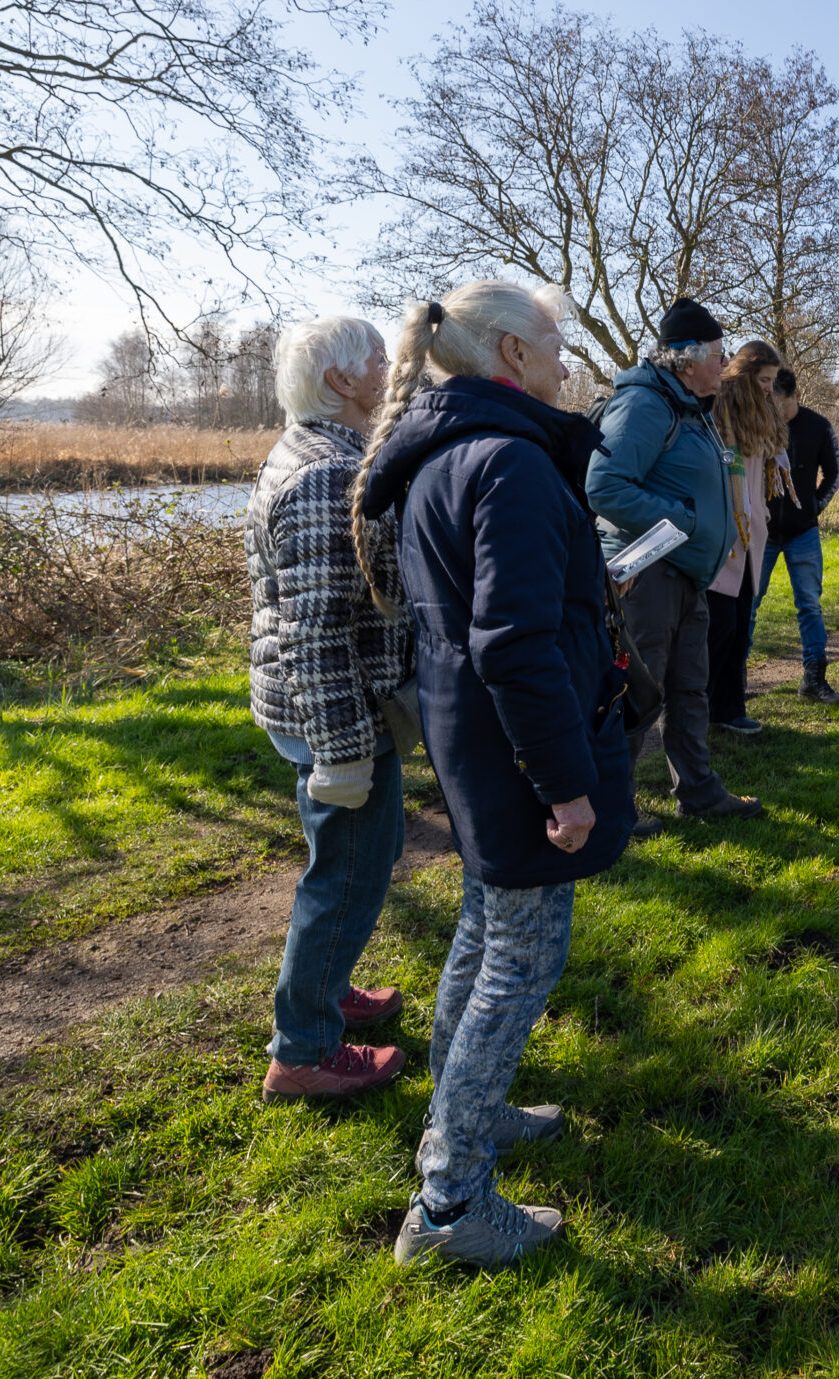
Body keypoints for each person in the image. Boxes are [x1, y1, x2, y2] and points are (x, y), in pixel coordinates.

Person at [354, 282, 637, 1268]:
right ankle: (448, 1203)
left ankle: (466, 1119)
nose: (569, 366)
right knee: (519, 965)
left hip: (476, 742)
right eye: (556, 347)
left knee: (482, 942)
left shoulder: (452, 452)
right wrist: (565, 785)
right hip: (518, 751)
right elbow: (513, 644)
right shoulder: (510, 462)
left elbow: (496, 617)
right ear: (512, 354)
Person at [246, 316, 415, 1102]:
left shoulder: (322, 452)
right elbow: (316, 632)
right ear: (343, 382)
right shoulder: (323, 474)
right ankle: (304, 1049)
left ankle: (325, 989)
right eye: (377, 358)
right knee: (346, 875)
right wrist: (344, 752)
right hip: (336, 715)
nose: (391, 366)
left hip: (320, 709)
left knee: (341, 866)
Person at [584, 297, 762, 826]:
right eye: (719, 355)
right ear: (687, 358)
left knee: (689, 690)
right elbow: (605, 486)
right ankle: (612, 805)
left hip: (684, 574)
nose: (725, 367)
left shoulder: (691, 408)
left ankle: (700, 793)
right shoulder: (643, 406)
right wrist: (681, 521)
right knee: (640, 691)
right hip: (646, 574)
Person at [706, 340, 788, 737]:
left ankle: (729, 708)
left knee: (740, 629)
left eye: (773, 381)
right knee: (717, 630)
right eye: (765, 379)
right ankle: (702, 709)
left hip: (751, 534)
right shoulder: (719, 412)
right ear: (746, 375)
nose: (770, 388)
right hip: (723, 535)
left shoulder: (763, 416)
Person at [762, 366, 839, 704]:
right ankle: (732, 683)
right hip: (761, 533)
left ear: (796, 397)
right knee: (747, 605)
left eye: (781, 406)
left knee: (809, 605)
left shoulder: (818, 427)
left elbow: (835, 473)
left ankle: (813, 680)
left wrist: (813, 507)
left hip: (803, 534)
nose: (776, 413)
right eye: (771, 405)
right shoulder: (757, 423)